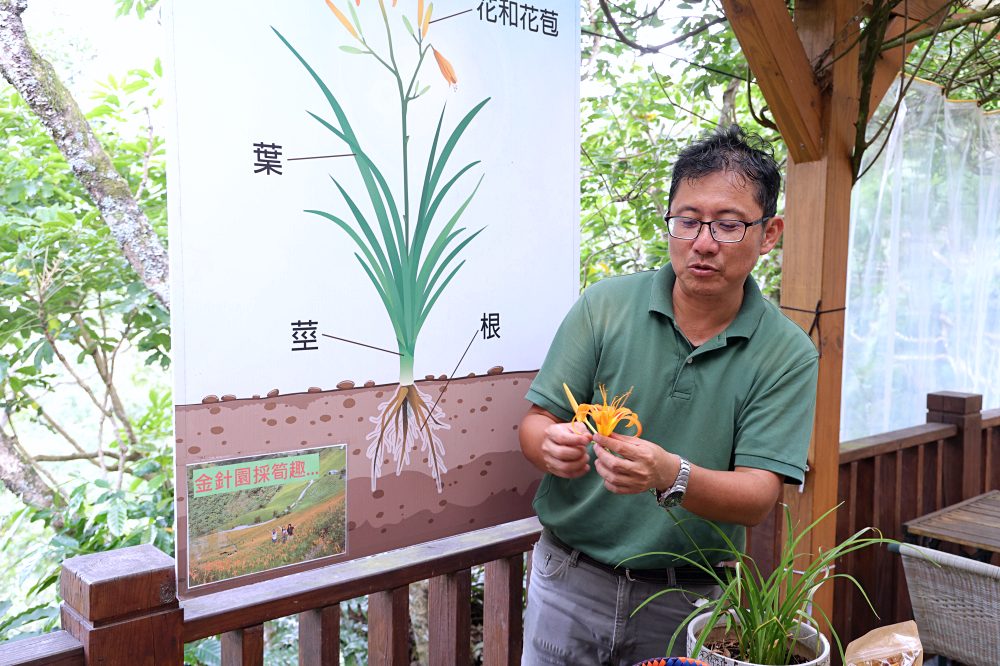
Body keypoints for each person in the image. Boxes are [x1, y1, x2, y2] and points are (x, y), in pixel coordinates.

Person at [519, 125, 819, 665]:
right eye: (688, 220)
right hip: (568, 579)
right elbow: (538, 421)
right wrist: (550, 445)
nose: (704, 242)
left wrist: (670, 474)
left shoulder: (786, 353)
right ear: (671, 222)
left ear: (768, 233)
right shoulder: (605, 306)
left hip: (686, 601)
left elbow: (757, 497)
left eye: (729, 225)